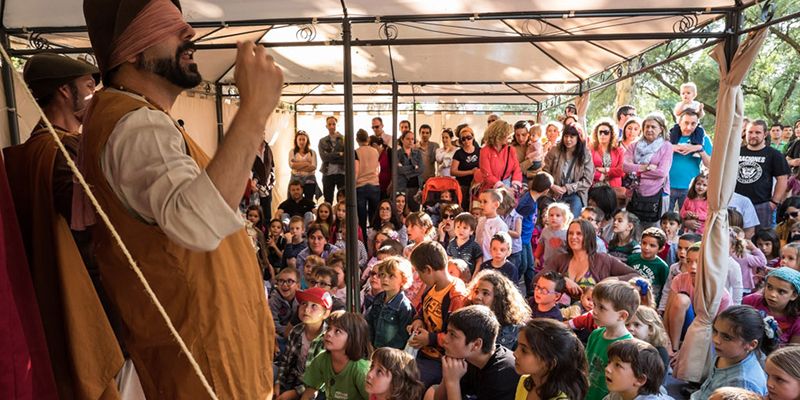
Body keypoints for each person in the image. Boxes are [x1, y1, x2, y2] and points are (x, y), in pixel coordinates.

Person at [81, 1, 281, 396]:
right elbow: (196, 222)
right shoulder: (136, 125)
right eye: (168, 26)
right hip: (202, 367)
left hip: (208, 360)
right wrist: (254, 111)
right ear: (132, 49)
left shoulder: (139, 118)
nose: (189, 32)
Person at [3, 51, 123, 398]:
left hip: (47, 303)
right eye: (88, 85)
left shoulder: (32, 151)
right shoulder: (56, 153)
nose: (94, 94)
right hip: (85, 304)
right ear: (64, 92)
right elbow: (95, 225)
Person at [407, 241, 469, 388]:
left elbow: (458, 336)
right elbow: (424, 310)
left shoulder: (456, 296)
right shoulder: (431, 288)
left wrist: (430, 338)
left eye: (418, 272)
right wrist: (418, 320)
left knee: (408, 383)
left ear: (428, 270)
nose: (418, 277)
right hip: (424, 352)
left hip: (441, 360)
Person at [430, 305, 520, 400]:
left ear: (476, 344)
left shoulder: (501, 376)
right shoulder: (470, 359)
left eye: (452, 334)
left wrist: (453, 382)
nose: (445, 339)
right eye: (447, 332)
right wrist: (447, 378)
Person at [690, 305, 778, 399]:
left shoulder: (743, 383)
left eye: (726, 337)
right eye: (715, 331)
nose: (716, 340)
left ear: (751, 345)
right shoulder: (727, 353)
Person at [543, 220, 641, 300]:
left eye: (579, 234)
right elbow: (537, 278)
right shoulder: (560, 259)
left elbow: (637, 276)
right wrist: (562, 279)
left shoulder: (604, 259)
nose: (573, 237)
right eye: (570, 233)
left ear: (588, 237)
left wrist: (614, 280)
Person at [584, 280, 640, 400]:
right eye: (594, 305)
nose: (594, 310)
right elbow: (586, 366)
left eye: (602, 307)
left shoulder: (628, 346)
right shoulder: (595, 334)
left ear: (622, 316)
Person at [301, 311, 372, 400]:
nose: (329, 334)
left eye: (337, 331)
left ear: (353, 338)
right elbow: (310, 390)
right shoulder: (322, 359)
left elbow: (373, 397)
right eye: (329, 328)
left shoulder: (361, 369)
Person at [513, 318, 588, 400]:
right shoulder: (525, 382)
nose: (515, 353)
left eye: (524, 350)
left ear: (550, 363)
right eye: (518, 346)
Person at [736, 119, 791, 229]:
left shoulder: (774, 155)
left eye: (757, 132)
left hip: (761, 204)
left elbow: (782, 179)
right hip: (737, 203)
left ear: (765, 134)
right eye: (750, 132)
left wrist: (774, 202)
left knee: (761, 239)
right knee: (735, 238)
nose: (753, 135)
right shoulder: (736, 152)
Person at [623, 112, 673, 224]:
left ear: (661, 129)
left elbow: (662, 172)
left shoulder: (666, 146)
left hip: (657, 195)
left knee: (653, 231)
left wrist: (637, 171)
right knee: (633, 228)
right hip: (634, 194)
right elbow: (625, 167)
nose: (649, 129)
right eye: (647, 126)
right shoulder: (634, 145)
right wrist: (646, 167)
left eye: (653, 127)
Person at [467, 270, 531, 350]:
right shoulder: (466, 321)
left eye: (485, 293)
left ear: (499, 298)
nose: (477, 297)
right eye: (476, 291)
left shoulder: (516, 330)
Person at [543, 124, 594, 218]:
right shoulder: (555, 150)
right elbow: (544, 172)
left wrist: (567, 188)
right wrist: (552, 186)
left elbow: (587, 181)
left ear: (578, 137)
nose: (568, 140)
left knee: (572, 219)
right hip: (553, 193)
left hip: (575, 194)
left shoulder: (585, 154)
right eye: (566, 136)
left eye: (572, 136)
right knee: (547, 218)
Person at [365, 257, 416, 349]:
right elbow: (369, 323)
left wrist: (385, 353)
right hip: (373, 350)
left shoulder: (404, 307)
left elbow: (402, 337)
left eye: (391, 276)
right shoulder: (378, 298)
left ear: (403, 280)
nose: (385, 279)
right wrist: (369, 345)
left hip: (390, 355)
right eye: (383, 275)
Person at [668, 109, 712, 211]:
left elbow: (709, 164)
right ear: (679, 122)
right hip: (667, 185)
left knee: (687, 219)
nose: (689, 127)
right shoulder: (669, 137)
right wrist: (672, 148)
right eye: (686, 123)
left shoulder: (703, 139)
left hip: (690, 187)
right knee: (666, 220)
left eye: (693, 124)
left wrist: (699, 149)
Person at [742, 267, 800, 344]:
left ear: (794, 295)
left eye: (781, 291)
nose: (772, 294)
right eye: (769, 287)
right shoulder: (750, 301)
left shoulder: (797, 321)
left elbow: (791, 353)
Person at [604, 339, 673, 400]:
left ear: (640, 379)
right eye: (609, 362)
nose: (607, 368)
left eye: (618, 365)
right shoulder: (618, 393)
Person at [626, 227, 669, 305]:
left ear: (661, 248)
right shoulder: (632, 258)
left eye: (652, 245)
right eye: (644, 243)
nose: (646, 248)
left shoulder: (662, 266)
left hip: (649, 301)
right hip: (630, 298)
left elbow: (665, 288)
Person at [626, 306, 670, 380]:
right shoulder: (625, 347)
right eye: (627, 324)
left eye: (636, 325)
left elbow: (657, 380)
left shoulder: (660, 352)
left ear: (651, 329)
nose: (630, 328)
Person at [479, 120, 522, 192]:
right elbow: (487, 175)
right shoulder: (485, 151)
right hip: (491, 190)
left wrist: (515, 185)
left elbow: (517, 169)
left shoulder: (511, 149)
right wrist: (502, 186)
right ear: (499, 136)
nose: (511, 139)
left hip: (509, 187)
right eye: (508, 136)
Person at [356, 128, 382, 240]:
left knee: (361, 217)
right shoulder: (375, 151)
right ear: (367, 139)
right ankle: (374, 239)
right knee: (374, 216)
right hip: (374, 184)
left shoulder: (356, 152)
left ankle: (364, 241)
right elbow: (378, 168)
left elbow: (355, 170)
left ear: (357, 139)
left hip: (360, 186)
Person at [451, 125, 481, 210]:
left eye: (469, 137)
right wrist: (470, 172)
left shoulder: (480, 151)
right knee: (462, 208)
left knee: (476, 209)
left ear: (473, 137)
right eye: (463, 139)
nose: (466, 140)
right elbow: (453, 171)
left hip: (477, 186)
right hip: (462, 186)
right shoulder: (458, 153)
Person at [590, 119, 625, 188]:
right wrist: (599, 176)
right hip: (595, 186)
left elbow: (622, 170)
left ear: (611, 134)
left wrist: (606, 170)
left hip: (614, 187)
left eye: (606, 132)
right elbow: (586, 169)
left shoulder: (619, 150)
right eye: (600, 132)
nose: (602, 134)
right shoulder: (591, 149)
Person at [319, 115, 346, 204]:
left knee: (343, 199)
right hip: (328, 173)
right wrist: (339, 154)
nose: (331, 126)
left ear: (336, 125)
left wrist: (331, 156)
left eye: (333, 124)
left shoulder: (343, 139)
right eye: (329, 124)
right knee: (328, 200)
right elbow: (324, 158)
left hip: (341, 173)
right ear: (326, 126)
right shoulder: (322, 141)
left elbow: (346, 157)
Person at [397, 130, 424, 212]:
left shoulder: (417, 153)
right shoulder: (397, 153)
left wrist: (405, 168)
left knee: (415, 211)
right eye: (408, 139)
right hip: (402, 187)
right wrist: (413, 167)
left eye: (412, 139)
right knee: (402, 211)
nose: (410, 141)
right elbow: (399, 170)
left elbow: (421, 169)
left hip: (415, 187)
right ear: (402, 139)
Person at [270, 268, 300, 341]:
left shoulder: (302, 300)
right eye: (281, 281)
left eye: (289, 281)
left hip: (297, 334)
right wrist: (287, 332)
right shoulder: (273, 300)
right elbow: (273, 322)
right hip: (280, 335)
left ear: (298, 286)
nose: (284, 285)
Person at [251, 139, 276, 220]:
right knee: (256, 214)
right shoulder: (250, 148)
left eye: (263, 132)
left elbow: (272, 165)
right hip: (254, 187)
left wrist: (271, 182)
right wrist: (255, 181)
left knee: (267, 214)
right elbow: (250, 168)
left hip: (267, 187)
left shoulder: (267, 148)